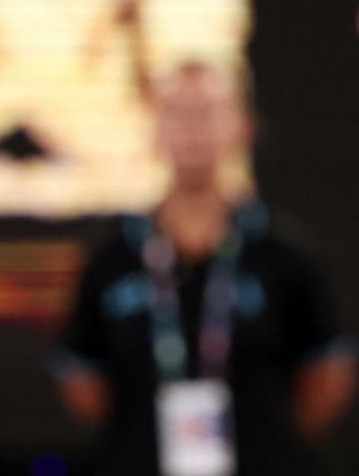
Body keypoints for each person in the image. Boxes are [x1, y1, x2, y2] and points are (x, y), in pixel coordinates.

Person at [53, 61, 355, 476]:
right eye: (176, 113)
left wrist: (270, 438)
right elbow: (84, 384)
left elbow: (329, 373)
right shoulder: (112, 258)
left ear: (244, 125)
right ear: (154, 129)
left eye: (209, 112)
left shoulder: (284, 254)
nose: (193, 127)